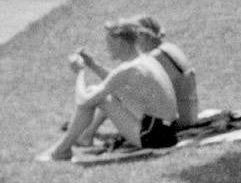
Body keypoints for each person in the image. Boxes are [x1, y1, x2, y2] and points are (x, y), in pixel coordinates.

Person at [41, 19, 179, 161]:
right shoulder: (146, 60)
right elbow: (115, 82)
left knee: (96, 96)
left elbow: (84, 101)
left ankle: (62, 150)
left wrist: (80, 73)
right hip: (168, 132)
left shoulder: (129, 68)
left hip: (154, 137)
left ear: (119, 41)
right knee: (101, 91)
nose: (106, 48)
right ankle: (82, 139)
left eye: (108, 43)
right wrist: (92, 64)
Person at [130, 15, 199, 126]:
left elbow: (122, 82)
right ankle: (91, 132)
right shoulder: (169, 47)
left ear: (146, 36)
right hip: (189, 116)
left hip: (178, 121)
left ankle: (91, 133)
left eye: (135, 36)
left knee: (113, 96)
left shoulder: (156, 56)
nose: (134, 42)